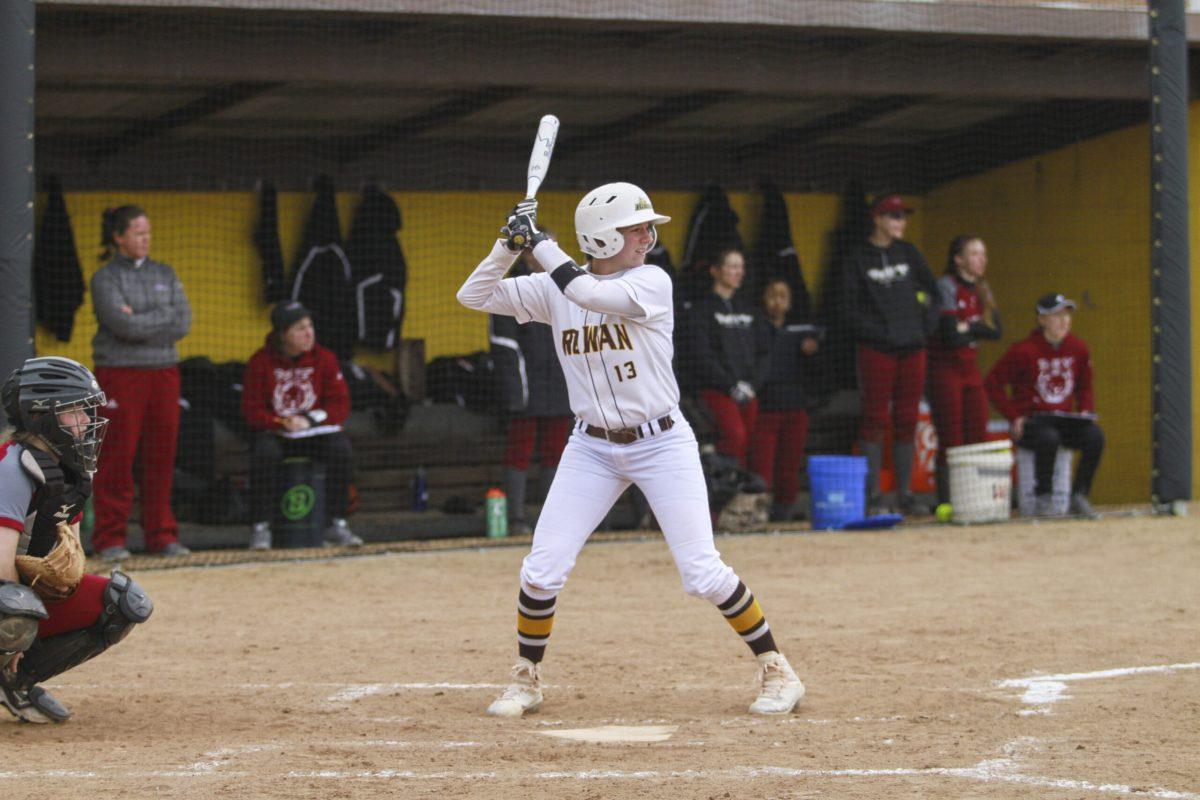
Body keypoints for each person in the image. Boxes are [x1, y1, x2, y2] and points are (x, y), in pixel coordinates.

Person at [457, 182, 804, 718]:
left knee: (701, 572)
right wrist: (508, 244)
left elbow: (591, 296)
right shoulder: (554, 287)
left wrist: (540, 243)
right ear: (601, 238)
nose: (648, 235)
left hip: (661, 441)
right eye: (636, 228)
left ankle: (778, 669)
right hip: (590, 447)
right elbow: (473, 296)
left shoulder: (652, 281)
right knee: (541, 570)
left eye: (647, 227)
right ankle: (526, 678)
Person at [1, 357, 154, 723]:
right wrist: (12, 634)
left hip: (11, 595)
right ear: (41, 416)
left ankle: (15, 682)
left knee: (122, 603)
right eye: (73, 411)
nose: (86, 421)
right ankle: (8, 659)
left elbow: (68, 552)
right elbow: (3, 563)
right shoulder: (13, 466)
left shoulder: (68, 472)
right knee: (15, 605)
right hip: (4, 586)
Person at [90, 205, 191, 560]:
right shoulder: (105, 278)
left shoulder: (166, 271)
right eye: (137, 233)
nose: (145, 239)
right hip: (120, 373)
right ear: (118, 237)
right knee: (117, 456)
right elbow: (122, 325)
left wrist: (144, 319)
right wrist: (159, 318)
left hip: (164, 372)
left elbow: (182, 322)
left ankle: (162, 535)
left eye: (147, 232)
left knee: (161, 455)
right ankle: (110, 539)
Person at [842, 194, 940, 514]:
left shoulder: (909, 252)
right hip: (877, 349)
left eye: (903, 216)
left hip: (912, 348)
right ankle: (872, 497)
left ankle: (905, 494)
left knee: (907, 419)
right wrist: (878, 334)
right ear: (877, 219)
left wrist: (923, 330)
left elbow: (934, 295)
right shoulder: (858, 257)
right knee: (874, 418)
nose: (901, 222)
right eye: (894, 216)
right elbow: (849, 308)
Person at [241, 300, 361, 550]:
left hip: (314, 433)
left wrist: (309, 419)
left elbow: (340, 405)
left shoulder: (325, 358)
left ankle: (336, 524)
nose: (309, 333)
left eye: (310, 326)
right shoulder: (260, 361)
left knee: (341, 449)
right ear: (282, 335)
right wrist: (281, 421)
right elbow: (251, 411)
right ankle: (261, 527)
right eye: (299, 329)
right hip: (278, 435)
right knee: (264, 452)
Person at [984, 293, 1103, 518]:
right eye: (1057, 315)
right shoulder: (1023, 351)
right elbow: (992, 384)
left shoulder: (1078, 348)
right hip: (1033, 421)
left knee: (1095, 437)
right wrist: (1014, 416)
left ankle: (1079, 495)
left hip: (1064, 419)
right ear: (1042, 320)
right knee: (1049, 438)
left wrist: (1086, 410)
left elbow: (1085, 386)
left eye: (1066, 315)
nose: (1064, 321)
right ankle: (1043, 497)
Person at [491, 251, 573, 537]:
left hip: (560, 390)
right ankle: (515, 520)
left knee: (556, 455)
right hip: (526, 391)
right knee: (519, 453)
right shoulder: (511, 289)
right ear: (529, 254)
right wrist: (516, 394)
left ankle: (553, 523)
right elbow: (503, 347)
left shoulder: (567, 286)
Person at [927, 236, 1002, 505]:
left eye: (983, 253)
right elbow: (949, 335)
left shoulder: (983, 288)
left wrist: (966, 328)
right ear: (958, 259)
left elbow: (996, 331)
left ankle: (975, 498)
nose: (982, 259)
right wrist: (974, 328)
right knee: (951, 437)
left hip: (970, 369)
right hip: (944, 369)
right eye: (974, 254)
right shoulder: (945, 286)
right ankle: (948, 502)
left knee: (978, 433)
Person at [683, 248, 772, 468]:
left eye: (740, 267)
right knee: (735, 435)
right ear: (716, 271)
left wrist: (751, 384)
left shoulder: (751, 309)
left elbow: (765, 351)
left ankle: (736, 494)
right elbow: (701, 355)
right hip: (716, 389)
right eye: (732, 266)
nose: (738, 272)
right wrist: (730, 386)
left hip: (748, 391)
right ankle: (717, 487)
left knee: (747, 441)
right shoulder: (700, 310)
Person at [749, 278, 819, 522]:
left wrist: (812, 351)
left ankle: (784, 513)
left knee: (789, 466)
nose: (777, 302)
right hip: (766, 407)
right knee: (762, 465)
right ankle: (759, 512)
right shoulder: (754, 328)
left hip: (795, 407)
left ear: (789, 302)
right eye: (772, 296)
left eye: (783, 297)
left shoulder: (802, 332)